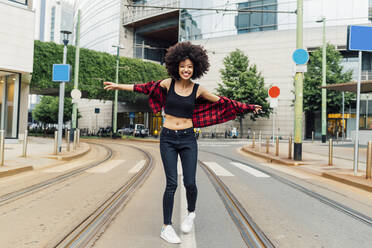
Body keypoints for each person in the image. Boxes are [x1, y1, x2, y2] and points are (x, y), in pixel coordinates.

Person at [103, 42, 262, 244]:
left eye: (189, 66)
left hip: (187, 138)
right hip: (168, 138)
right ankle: (166, 226)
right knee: (171, 184)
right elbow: (144, 88)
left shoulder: (198, 90)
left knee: (190, 183)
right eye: (182, 66)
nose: (186, 70)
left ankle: (191, 213)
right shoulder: (168, 84)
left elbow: (224, 102)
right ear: (176, 67)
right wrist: (118, 86)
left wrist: (248, 107)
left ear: (195, 67)